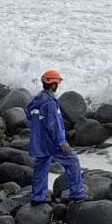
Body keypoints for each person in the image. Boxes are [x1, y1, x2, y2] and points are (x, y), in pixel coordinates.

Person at [27, 69, 86, 205]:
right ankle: (77, 194)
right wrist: (61, 142)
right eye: (57, 83)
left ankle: (38, 197)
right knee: (72, 161)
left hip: (39, 141)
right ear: (53, 85)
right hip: (51, 141)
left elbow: (29, 113)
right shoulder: (50, 103)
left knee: (41, 166)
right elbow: (54, 125)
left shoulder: (38, 99)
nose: (58, 85)